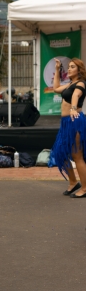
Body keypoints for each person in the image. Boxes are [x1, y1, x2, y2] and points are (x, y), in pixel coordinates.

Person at [52, 57, 86, 197]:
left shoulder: (81, 84)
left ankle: (84, 188)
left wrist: (73, 108)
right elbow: (55, 88)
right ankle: (73, 183)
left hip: (75, 120)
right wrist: (57, 69)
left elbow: (76, 96)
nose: (70, 69)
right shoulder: (70, 84)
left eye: (73, 66)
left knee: (77, 155)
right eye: (69, 67)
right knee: (61, 153)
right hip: (65, 122)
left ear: (79, 70)